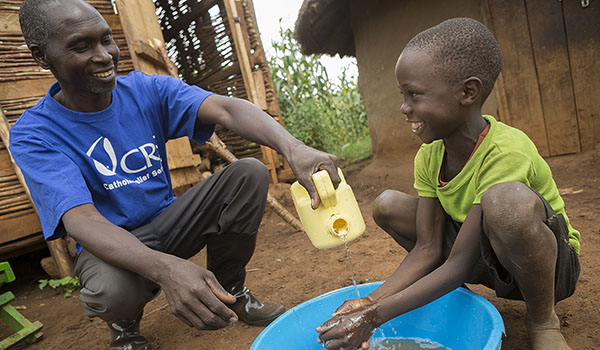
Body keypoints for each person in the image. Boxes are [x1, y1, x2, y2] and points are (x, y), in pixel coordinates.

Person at [10, 0, 340, 349]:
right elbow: (82, 221)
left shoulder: (144, 90)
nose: (104, 55)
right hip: (110, 242)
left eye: (106, 40)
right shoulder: (35, 132)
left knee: (249, 173)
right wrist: (166, 270)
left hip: (170, 220)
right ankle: (124, 326)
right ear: (42, 56)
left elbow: (227, 108)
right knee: (111, 292)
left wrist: (293, 148)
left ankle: (229, 290)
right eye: (81, 46)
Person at [316, 18, 580, 350]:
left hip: (550, 267)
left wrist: (374, 318)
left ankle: (543, 320)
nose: (404, 107)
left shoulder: (505, 150)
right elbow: (428, 248)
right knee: (388, 205)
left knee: (505, 202)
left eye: (414, 94)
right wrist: (369, 302)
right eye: (403, 95)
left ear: (467, 92)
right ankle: (458, 299)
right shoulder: (430, 156)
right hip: (484, 256)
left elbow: (458, 263)